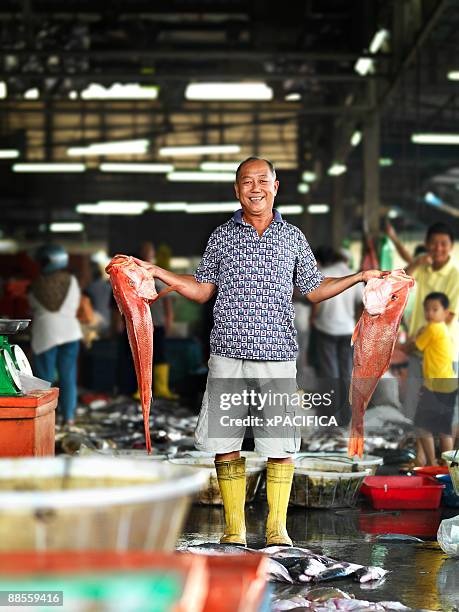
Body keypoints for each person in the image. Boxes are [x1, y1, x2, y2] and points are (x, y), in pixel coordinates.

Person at [134, 157, 380, 547]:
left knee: (279, 445)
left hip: (277, 355)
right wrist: (160, 272)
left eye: (262, 180)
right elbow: (201, 289)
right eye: (246, 182)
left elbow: (313, 289)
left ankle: (276, 530)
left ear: (276, 186)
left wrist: (360, 277)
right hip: (228, 354)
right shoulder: (221, 236)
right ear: (236, 190)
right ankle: (235, 529)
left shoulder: (292, 237)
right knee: (225, 444)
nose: (255, 188)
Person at [397, 223, 459, 422]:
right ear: (426, 244)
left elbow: (449, 315)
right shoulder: (422, 267)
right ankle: (420, 452)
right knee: (415, 404)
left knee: (443, 407)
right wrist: (416, 263)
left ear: (451, 245)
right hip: (418, 349)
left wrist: (413, 341)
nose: (438, 248)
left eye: (443, 244)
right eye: (433, 243)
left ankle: (447, 452)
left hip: (442, 352)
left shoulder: (456, 274)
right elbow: (398, 284)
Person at [28, 244, 82, 427]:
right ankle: (68, 417)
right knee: (68, 376)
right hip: (69, 331)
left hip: (46, 333)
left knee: (45, 380)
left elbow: (32, 308)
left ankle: (46, 418)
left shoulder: (36, 284)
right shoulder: (71, 280)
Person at [311, 246, 363, 425]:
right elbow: (360, 305)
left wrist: (313, 319)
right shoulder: (353, 275)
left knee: (330, 373)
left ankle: (330, 416)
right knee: (346, 373)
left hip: (326, 328)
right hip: (347, 330)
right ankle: (346, 416)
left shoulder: (324, 273)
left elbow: (316, 302)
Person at [407, 292, 457, 465]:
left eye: (435, 309)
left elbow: (414, 346)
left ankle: (432, 464)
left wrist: (400, 343)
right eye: (427, 310)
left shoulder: (433, 328)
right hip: (448, 384)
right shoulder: (442, 328)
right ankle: (448, 468)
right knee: (444, 429)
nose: (430, 313)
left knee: (422, 426)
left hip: (436, 386)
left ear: (446, 312)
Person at [138, 241, 178, 400]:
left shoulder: (159, 276)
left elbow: (168, 303)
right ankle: (141, 390)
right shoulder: (136, 276)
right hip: (141, 325)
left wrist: (169, 321)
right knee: (142, 358)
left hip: (158, 324)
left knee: (160, 356)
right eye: (144, 250)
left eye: (149, 250)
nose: (147, 253)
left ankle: (161, 389)